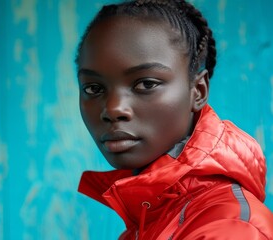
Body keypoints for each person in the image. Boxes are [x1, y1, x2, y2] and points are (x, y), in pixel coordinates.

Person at [75, 0, 273, 239]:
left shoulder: (229, 229)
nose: (113, 109)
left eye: (146, 84)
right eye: (94, 88)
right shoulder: (146, 222)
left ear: (198, 91)